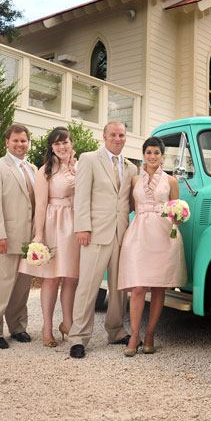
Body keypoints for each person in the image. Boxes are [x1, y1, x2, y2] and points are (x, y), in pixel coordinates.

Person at [70, 121, 138, 358]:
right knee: (88, 286)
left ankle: (116, 331)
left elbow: (129, 201)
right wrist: (82, 227)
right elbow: (81, 196)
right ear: (104, 136)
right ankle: (78, 337)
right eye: (113, 134)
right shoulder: (89, 159)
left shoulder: (131, 167)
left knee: (119, 288)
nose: (117, 138)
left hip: (121, 233)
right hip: (95, 232)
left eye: (121, 135)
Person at [117, 137, 187, 357]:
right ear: (144, 154)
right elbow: (128, 205)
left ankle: (149, 334)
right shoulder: (134, 180)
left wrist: (178, 217)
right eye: (148, 152)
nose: (152, 156)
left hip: (164, 234)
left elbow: (176, 209)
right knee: (138, 288)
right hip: (139, 233)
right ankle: (134, 335)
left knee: (158, 286)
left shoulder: (171, 181)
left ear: (162, 156)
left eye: (157, 152)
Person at [19, 126, 80, 348]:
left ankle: (68, 322)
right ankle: (47, 327)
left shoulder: (81, 167)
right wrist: (39, 234)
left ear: (72, 143)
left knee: (73, 277)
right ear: (51, 147)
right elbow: (41, 206)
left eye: (65, 142)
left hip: (76, 225)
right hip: (55, 223)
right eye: (57, 143)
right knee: (51, 277)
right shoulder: (45, 171)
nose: (62, 147)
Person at [0, 124, 36, 349]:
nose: (20, 144)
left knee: (22, 288)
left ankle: (18, 327)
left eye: (23, 141)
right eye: (16, 140)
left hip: (29, 240)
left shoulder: (32, 168)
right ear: (7, 142)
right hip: (5, 237)